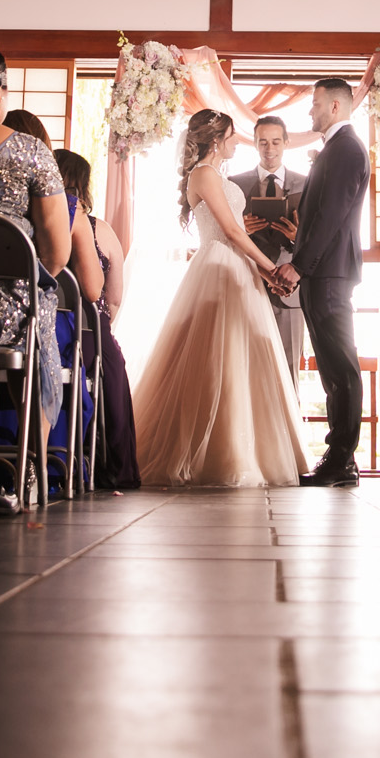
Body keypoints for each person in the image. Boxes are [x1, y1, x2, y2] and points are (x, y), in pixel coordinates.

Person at [133, 111, 308, 487]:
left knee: (241, 360)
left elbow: (237, 237)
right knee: (215, 360)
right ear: (216, 140)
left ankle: (245, 447)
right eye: (232, 136)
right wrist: (272, 269)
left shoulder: (220, 176)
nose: (237, 142)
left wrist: (267, 277)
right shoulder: (203, 175)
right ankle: (214, 452)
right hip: (217, 268)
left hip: (239, 270)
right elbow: (230, 231)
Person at [0, 35, 70, 473]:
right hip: (8, 313)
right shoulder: (29, 151)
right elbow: (56, 255)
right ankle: (31, 469)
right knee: (41, 297)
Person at [292, 79, 371, 487]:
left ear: (337, 106)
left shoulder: (346, 149)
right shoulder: (336, 149)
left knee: (342, 366)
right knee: (331, 370)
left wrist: (299, 265)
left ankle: (343, 457)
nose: (311, 112)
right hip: (323, 273)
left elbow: (332, 215)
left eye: (316, 104)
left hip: (329, 274)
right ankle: (339, 457)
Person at [55, 149, 138, 489]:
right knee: (113, 368)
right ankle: (107, 466)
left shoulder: (31, 224)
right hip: (91, 335)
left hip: (47, 330)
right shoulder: (99, 230)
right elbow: (113, 299)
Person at [232, 114, 307, 385]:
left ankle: (288, 427)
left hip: (290, 287)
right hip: (247, 284)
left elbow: (318, 240)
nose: (269, 148)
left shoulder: (306, 183)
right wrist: (243, 229)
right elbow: (225, 235)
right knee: (245, 368)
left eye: (276, 141)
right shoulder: (234, 184)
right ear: (254, 144)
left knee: (288, 371)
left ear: (286, 143)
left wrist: (298, 237)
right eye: (263, 142)